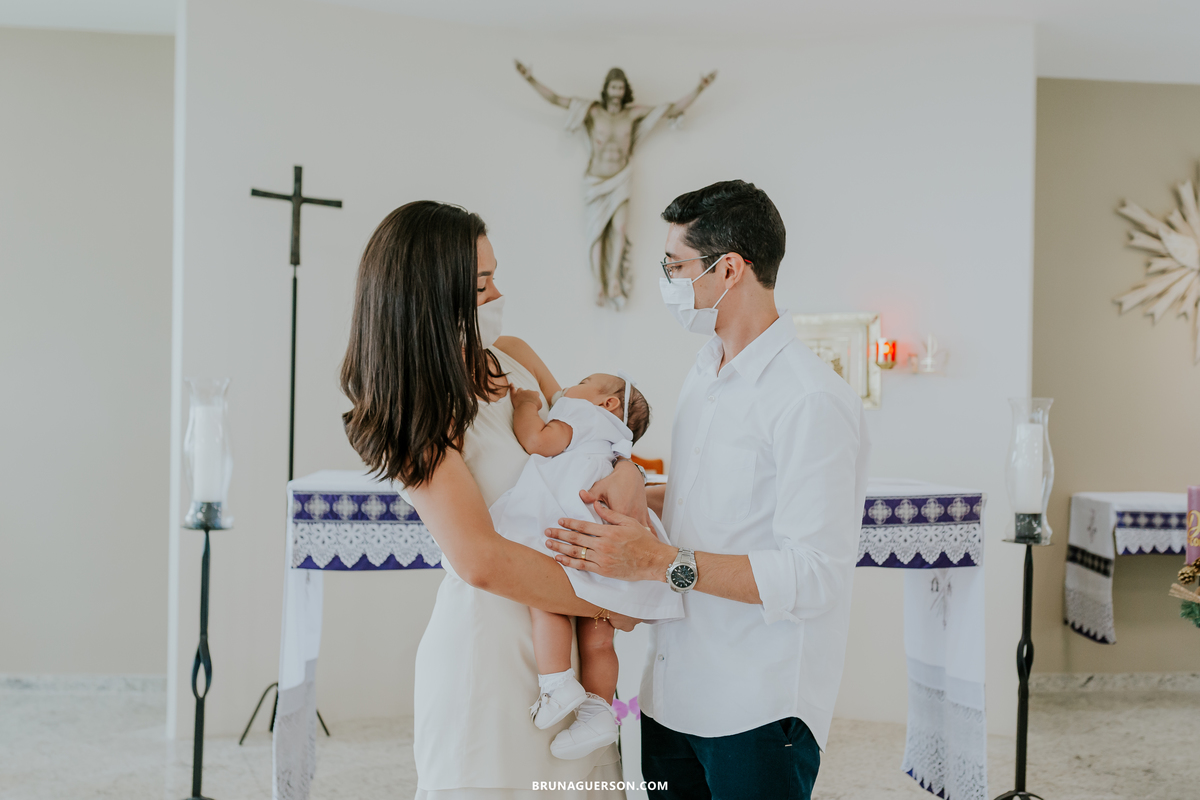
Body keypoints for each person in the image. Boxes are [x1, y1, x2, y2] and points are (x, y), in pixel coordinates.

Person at [545, 180, 872, 799]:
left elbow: (813, 575)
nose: (666, 281)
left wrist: (659, 562)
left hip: (756, 705)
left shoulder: (810, 399)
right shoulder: (704, 371)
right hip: (672, 690)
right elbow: (712, 503)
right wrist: (631, 493)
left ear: (729, 270)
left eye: (675, 267)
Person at [339, 201, 648, 799]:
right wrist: (613, 593)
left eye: (494, 275)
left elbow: (589, 444)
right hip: (491, 657)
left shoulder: (516, 357)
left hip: (576, 656)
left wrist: (630, 473)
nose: (497, 292)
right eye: (482, 283)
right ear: (433, 293)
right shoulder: (412, 407)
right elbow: (479, 558)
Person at [494, 374, 682, 761]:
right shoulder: (614, 443)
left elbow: (538, 441)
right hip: (601, 535)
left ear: (608, 403)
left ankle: (557, 682)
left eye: (584, 380)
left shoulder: (581, 414)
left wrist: (527, 405)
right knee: (598, 635)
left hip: (567, 522)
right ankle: (598, 712)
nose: (569, 385)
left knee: (545, 597)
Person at [514, 62, 716, 308]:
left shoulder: (632, 114)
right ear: (607, 88)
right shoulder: (593, 112)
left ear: (625, 90)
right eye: (613, 86)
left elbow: (670, 109)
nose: (617, 90)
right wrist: (529, 78)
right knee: (596, 234)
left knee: (619, 229)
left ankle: (613, 281)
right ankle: (599, 283)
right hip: (595, 181)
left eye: (621, 86)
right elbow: (556, 99)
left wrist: (700, 87)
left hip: (620, 179)